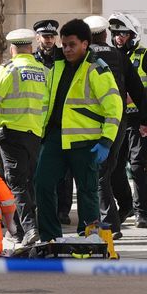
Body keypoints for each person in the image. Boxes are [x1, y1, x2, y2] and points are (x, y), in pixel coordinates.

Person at [33, 19, 123, 242]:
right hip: (55, 138)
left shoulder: (97, 68)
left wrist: (106, 141)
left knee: (87, 191)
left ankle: (89, 239)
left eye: (72, 44)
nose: (67, 49)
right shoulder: (58, 66)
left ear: (85, 44)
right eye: (64, 44)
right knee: (42, 184)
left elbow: (114, 106)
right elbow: (49, 101)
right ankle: (50, 237)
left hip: (86, 141)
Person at [0, 28, 51, 245]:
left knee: (16, 183)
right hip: (34, 134)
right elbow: (47, 104)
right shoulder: (44, 71)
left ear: (12, 48)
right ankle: (18, 231)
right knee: (27, 182)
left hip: (10, 135)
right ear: (31, 47)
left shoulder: (7, 69)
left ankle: (29, 229)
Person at [84, 15, 147, 237]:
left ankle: (110, 224)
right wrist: (145, 120)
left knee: (99, 174)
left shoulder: (82, 57)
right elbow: (139, 91)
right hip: (118, 122)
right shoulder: (119, 56)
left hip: (89, 124)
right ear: (105, 34)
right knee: (108, 170)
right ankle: (114, 217)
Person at [108, 12, 147, 228]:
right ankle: (127, 205)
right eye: (115, 33)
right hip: (118, 120)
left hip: (142, 118)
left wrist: (138, 95)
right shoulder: (110, 56)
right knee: (115, 166)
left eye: (123, 33)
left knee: (138, 165)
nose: (119, 37)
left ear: (133, 34)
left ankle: (143, 213)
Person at [33, 19, 71, 225]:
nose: (49, 40)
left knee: (64, 171)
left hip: (60, 118)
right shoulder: (32, 59)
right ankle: (42, 206)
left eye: (51, 36)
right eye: (45, 36)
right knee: (41, 168)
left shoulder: (63, 57)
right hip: (38, 120)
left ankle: (63, 210)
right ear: (37, 37)